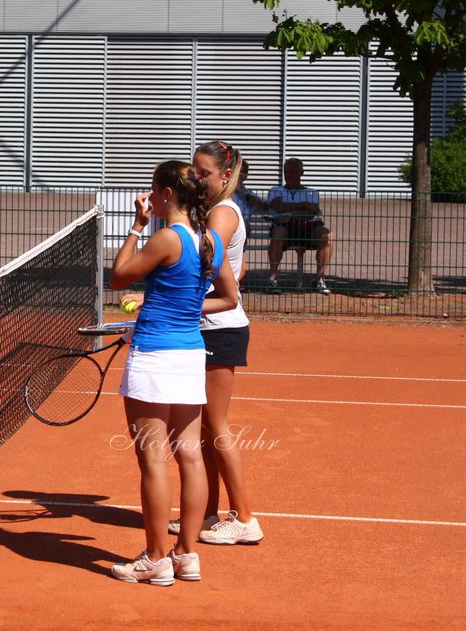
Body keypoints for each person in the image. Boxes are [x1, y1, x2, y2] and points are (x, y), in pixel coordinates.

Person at [109, 160, 239, 585]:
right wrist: (182, 309)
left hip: (154, 356)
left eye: (153, 191)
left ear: (165, 194)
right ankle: (186, 555)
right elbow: (228, 299)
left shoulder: (166, 237)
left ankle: (155, 558)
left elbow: (118, 277)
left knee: (151, 459)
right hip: (189, 356)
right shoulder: (210, 241)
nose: (150, 197)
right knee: (190, 455)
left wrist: (135, 225)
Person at [183, 141, 264, 547]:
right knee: (200, 430)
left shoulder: (222, 212)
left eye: (204, 173)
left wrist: (168, 294)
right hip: (208, 325)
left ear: (226, 175)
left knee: (216, 427)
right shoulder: (218, 212)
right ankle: (208, 513)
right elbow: (238, 267)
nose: (198, 179)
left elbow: (208, 262)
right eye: (194, 171)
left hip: (220, 329)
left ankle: (245, 519)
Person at [265, 157, 333, 294]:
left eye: (293, 171)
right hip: (285, 229)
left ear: (301, 173)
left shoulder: (311, 192)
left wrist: (290, 211)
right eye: (286, 171)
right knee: (278, 233)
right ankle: (273, 279)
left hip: (307, 227)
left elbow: (311, 212)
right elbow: (277, 207)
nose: (288, 175)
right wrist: (303, 205)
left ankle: (319, 279)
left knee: (325, 234)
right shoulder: (275, 190)